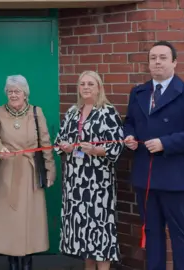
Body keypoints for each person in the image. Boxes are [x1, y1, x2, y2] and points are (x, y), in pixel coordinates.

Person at [124, 41, 184, 270]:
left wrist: (166, 143)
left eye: (163, 57)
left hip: (175, 177)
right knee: (152, 233)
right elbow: (130, 123)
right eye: (153, 58)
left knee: (180, 235)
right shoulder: (139, 92)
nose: (157, 62)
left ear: (174, 62)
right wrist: (130, 137)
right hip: (146, 176)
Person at [54, 71, 124, 270]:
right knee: (84, 230)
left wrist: (95, 150)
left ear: (99, 87)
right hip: (76, 180)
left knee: (101, 229)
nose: (85, 87)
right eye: (82, 84)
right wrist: (65, 146)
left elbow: (117, 147)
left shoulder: (108, 112)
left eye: (90, 84)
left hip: (98, 181)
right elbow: (58, 141)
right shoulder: (72, 112)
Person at [0, 75, 56, 270]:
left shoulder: (36, 112)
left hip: (30, 172)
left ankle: (27, 261)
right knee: (9, 220)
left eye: (17, 91)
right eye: (10, 91)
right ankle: (12, 262)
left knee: (30, 220)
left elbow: (45, 143)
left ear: (25, 94)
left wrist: (49, 170)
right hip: (7, 170)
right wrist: (0, 149)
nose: (13, 95)